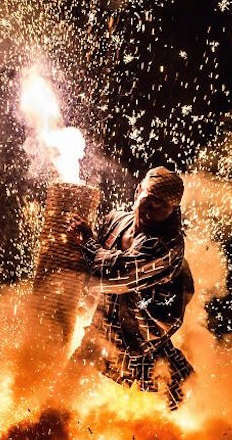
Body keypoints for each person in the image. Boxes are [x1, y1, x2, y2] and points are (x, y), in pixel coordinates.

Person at [69, 166, 195, 409]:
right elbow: (90, 272)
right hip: (99, 337)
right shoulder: (115, 221)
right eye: (150, 199)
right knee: (60, 402)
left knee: (179, 415)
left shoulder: (167, 245)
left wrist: (87, 244)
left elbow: (119, 276)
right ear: (138, 191)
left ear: (173, 210)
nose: (154, 209)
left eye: (163, 205)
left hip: (144, 351)